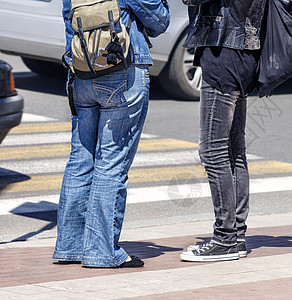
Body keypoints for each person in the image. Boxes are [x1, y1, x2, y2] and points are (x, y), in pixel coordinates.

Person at [53, 0, 170, 268]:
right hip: (122, 71)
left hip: (81, 74)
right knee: (111, 164)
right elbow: (160, 21)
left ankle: (70, 246)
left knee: (80, 162)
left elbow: (68, 19)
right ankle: (101, 251)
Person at [180, 0, 266, 262]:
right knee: (233, 149)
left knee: (212, 150)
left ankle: (225, 238)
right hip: (245, 52)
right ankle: (236, 235)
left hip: (223, 52)